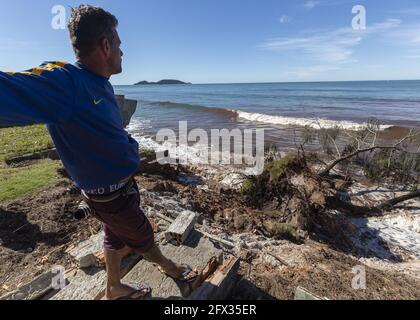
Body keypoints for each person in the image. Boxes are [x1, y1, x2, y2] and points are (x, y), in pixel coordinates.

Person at [0, 5, 197, 300]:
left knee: (114, 237)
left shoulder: (98, 83)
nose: (122, 51)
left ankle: (114, 288)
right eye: (119, 44)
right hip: (111, 198)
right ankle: (173, 269)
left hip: (117, 193)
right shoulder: (66, 82)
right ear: (106, 46)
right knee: (143, 238)